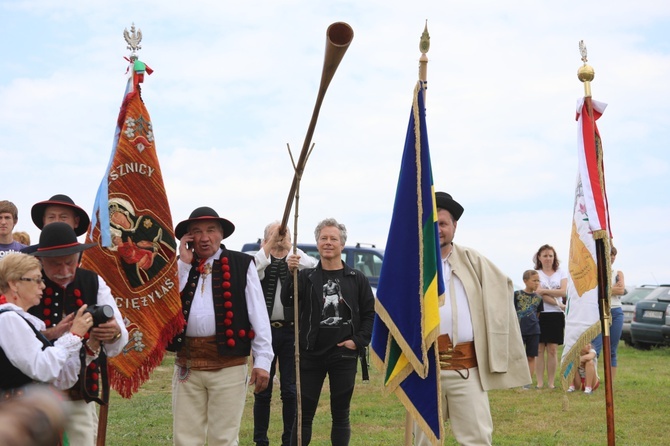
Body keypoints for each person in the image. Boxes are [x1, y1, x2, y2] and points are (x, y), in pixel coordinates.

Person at [413, 192, 529, 446]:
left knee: (477, 439)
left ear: (455, 226)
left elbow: (503, 287)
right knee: (423, 441)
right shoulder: (414, 263)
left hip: (467, 369)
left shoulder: (473, 261)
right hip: (424, 371)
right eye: (432, 224)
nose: (438, 229)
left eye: (443, 223)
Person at [169, 206, 273, 446]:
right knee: (184, 438)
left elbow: (258, 315)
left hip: (229, 364)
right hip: (189, 364)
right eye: (197, 231)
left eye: (211, 230)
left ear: (221, 234)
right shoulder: (179, 267)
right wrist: (183, 266)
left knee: (223, 438)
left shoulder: (241, 263)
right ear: (188, 238)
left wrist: (263, 361)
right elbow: (167, 307)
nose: (204, 237)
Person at [28, 222, 128, 445]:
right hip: (33, 397)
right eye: (55, 265)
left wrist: (113, 334)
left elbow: (119, 332)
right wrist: (54, 333)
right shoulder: (26, 284)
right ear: (41, 261)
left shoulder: (93, 282)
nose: (64, 272)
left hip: (80, 394)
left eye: (70, 263)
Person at [281, 218, 373, 446]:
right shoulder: (305, 276)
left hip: (343, 355)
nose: (328, 242)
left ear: (342, 244)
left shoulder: (356, 278)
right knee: (303, 416)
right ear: (317, 243)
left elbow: (370, 314)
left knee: (340, 415)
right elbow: (287, 301)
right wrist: (289, 272)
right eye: (324, 238)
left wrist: (357, 341)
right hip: (310, 354)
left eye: (334, 239)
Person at [253, 221, 318, 446]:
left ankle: (288, 440)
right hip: (265, 333)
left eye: (285, 233)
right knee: (263, 389)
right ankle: (260, 440)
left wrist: (291, 247)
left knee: (290, 390)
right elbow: (253, 269)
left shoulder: (297, 259)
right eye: (275, 234)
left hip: (291, 332)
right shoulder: (260, 261)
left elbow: (313, 268)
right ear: (265, 239)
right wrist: (269, 246)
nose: (280, 238)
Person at [0, 252, 97, 396]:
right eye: (37, 280)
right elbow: (42, 369)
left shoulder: (17, 319)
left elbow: (60, 379)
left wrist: (89, 347)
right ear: (14, 284)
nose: (43, 286)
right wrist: (73, 335)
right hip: (15, 413)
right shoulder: (8, 319)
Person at [533, 244, 567, 389]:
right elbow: (539, 294)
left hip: (556, 315)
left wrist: (546, 291)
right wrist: (556, 298)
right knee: (539, 349)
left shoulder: (561, 272)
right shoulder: (535, 274)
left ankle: (551, 383)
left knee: (552, 349)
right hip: (540, 314)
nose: (548, 258)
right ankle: (540, 382)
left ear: (554, 258)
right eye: (545, 255)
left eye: (550, 256)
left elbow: (564, 292)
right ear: (539, 258)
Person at [590, 245, 625, 381]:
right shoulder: (595, 272)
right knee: (596, 346)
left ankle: (610, 381)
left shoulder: (618, 273)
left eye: (614, 255)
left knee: (612, 349)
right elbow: (594, 292)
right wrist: (610, 289)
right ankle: (592, 379)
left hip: (616, 310)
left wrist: (604, 290)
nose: (611, 257)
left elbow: (620, 291)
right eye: (609, 254)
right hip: (599, 310)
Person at [21, 194, 91, 254]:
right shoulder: (26, 256)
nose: (57, 221)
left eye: (63, 217)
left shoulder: (88, 258)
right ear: (44, 221)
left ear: (76, 222)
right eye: (51, 217)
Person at [514, 270, 544, 389]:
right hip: (519, 330)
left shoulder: (538, 298)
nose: (536, 283)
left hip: (534, 330)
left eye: (538, 280)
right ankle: (515, 380)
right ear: (525, 281)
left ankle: (527, 382)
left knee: (531, 356)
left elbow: (538, 314)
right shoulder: (517, 295)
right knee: (517, 356)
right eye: (534, 280)